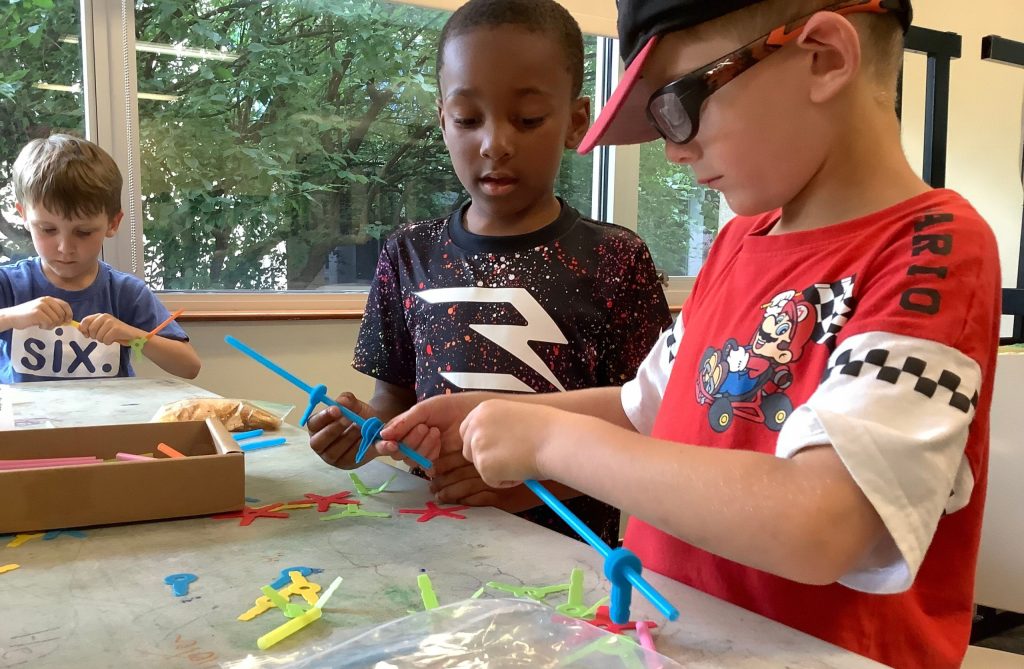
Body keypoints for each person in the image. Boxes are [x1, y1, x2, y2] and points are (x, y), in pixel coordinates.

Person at [376, 1, 1002, 667]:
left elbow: (826, 523)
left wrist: (552, 441)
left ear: (823, 57)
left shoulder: (933, 250)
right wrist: (489, 414)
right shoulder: (739, 242)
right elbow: (641, 409)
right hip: (673, 645)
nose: (674, 148)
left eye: (679, 101)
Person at [306, 0, 671, 546]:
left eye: (527, 120)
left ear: (575, 122)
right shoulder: (408, 252)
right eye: (468, 119)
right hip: (436, 546)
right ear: (442, 120)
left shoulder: (617, 258)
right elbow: (393, 400)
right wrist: (358, 429)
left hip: (570, 562)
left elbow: (651, 426)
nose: (495, 143)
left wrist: (530, 481)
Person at [0, 134, 201, 382]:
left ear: (113, 223)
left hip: (108, 421)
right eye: (47, 230)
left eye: (83, 232)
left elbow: (189, 366)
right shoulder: (9, 284)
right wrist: (11, 316)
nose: (65, 248)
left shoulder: (126, 292)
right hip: (25, 420)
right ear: (23, 216)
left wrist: (131, 335)